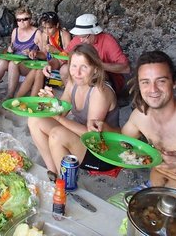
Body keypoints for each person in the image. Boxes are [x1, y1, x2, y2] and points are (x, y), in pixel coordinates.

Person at [89, 51, 176, 203]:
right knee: (107, 213)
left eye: (161, 81)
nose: (153, 89)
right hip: (152, 189)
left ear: (174, 82)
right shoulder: (140, 115)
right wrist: (104, 128)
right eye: (145, 82)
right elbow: (123, 142)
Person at [28, 44, 120, 175]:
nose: (77, 73)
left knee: (57, 134)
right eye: (74, 66)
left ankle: (65, 183)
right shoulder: (73, 83)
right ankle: (52, 172)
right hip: (80, 142)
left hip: (103, 152)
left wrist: (58, 117)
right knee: (35, 119)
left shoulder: (100, 91)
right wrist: (51, 102)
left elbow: (92, 136)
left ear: (95, 69)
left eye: (84, 67)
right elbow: (62, 111)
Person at [43, 13, 130, 93]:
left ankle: (95, 101)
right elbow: (62, 58)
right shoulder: (78, 39)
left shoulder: (107, 41)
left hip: (108, 80)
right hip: (84, 75)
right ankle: (72, 97)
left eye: (84, 36)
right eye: (79, 36)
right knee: (64, 69)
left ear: (94, 32)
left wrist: (97, 64)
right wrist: (49, 65)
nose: (81, 40)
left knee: (94, 72)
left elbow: (126, 68)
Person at [0, 7, 43, 99]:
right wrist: (9, 50)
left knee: (12, 64)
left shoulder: (37, 33)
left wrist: (34, 52)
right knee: (3, 61)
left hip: (30, 64)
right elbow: (11, 48)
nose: (21, 22)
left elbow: (45, 55)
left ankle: (10, 94)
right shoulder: (15, 31)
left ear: (30, 19)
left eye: (25, 19)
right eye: (19, 20)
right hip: (16, 60)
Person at [16, 11, 71, 97]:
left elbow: (69, 56)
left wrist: (56, 51)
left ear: (57, 25)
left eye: (49, 28)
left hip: (61, 67)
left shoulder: (64, 35)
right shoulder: (45, 35)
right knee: (36, 70)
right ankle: (18, 97)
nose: (46, 31)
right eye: (44, 28)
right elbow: (45, 54)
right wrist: (35, 53)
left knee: (40, 71)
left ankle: (32, 99)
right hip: (50, 64)